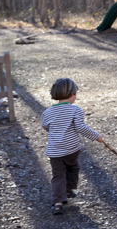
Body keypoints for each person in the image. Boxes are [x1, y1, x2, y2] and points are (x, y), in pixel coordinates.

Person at [41, 78, 104, 215]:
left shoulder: (47, 113)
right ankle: (68, 189)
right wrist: (96, 136)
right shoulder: (75, 110)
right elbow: (80, 127)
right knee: (73, 168)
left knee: (58, 176)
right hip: (71, 149)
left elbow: (46, 126)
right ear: (72, 94)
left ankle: (57, 203)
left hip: (55, 151)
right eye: (75, 94)